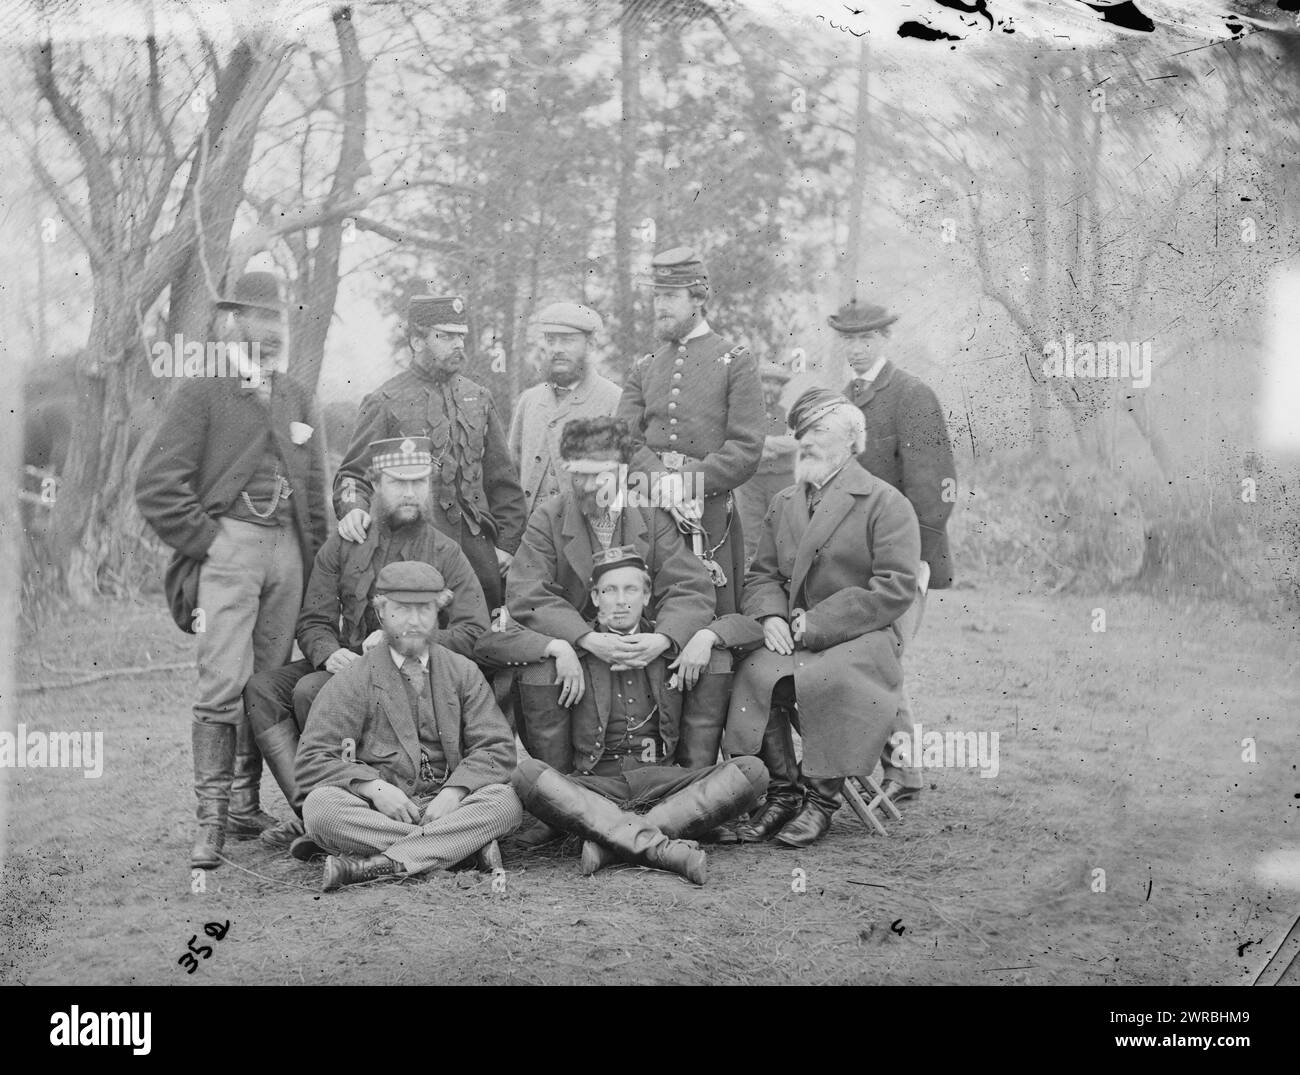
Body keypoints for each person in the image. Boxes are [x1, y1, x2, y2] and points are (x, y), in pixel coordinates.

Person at [135, 270, 329, 868]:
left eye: (276, 320)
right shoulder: (202, 392)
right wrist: (211, 542)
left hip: (289, 553)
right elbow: (157, 485)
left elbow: (315, 488)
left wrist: (319, 564)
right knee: (222, 683)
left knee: (270, 683)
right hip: (232, 547)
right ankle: (211, 825)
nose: (268, 330)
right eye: (256, 318)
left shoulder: (297, 395)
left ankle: (247, 807)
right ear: (231, 322)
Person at [243, 436, 489, 849]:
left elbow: (474, 631)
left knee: (311, 691)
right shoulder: (345, 542)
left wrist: (417, 639)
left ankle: (356, 808)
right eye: (397, 482)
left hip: (415, 668)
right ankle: (309, 813)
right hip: (350, 660)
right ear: (374, 484)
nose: (409, 493)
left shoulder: (445, 551)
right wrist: (327, 651)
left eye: (418, 482)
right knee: (262, 689)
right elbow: (314, 619)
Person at [726, 389, 920, 848]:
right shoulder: (786, 502)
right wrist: (771, 616)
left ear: (852, 441)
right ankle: (783, 793)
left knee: (831, 677)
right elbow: (762, 575)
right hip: (795, 637)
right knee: (752, 671)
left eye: (818, 430)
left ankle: (822, 802)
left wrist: (817, 624)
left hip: (863, 638)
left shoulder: (885, 503)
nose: (805, 440)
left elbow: (895, 587)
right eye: (801, 432)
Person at [505, 547, 769, 885]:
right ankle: (659, 841)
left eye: (631, 590)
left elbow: (749, 628)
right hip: (593, 785)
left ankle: (612, 844)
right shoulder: (573, 642)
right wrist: (558, 648)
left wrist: (707, 635)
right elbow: (492, 642)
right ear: (595, 597)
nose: (620, 601)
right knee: (527, 775)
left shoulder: (669, 638)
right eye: (609, 591)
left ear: (646, 595)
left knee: (753, 772)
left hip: (666, 782)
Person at [496, 416, 735, 786]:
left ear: (623, 471)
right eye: (580, 474)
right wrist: (581, 639)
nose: (588, 485)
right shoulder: (549, 516)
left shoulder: (651, 515)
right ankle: (556, 791)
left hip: (645, 646)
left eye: (600, 475)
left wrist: (663, 639)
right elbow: (527, 591)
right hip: (581, 650)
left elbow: (687, 586)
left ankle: (691, 782)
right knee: (538, 667)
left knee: (712, 659)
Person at [295, 562, 522, 892]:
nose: (414, 622)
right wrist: (372, 789)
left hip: (450, 808)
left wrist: (455, 792)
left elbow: (497, 748)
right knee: (320, 809)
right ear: (382, 612)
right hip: (383, 812)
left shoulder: (463, 671)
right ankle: (463, 850)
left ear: (439, 612)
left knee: (506, 802)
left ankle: (381, 864)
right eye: (402, 610)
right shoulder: (355, 678)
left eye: (425, 610)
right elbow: (314, 757)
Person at [832, 298, 957, 803]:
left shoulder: (912, 395)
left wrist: (914, 561)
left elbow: (937, 487)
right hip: (855, 558)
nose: (857, 349)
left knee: (884, 659)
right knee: (871, 659)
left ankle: (903, 771)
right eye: (850, 339)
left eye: (867, 339)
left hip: (903, 561)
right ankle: (899, 770)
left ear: (885, 339)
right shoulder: (843, 400)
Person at [332, 294, 527, 609]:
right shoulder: (385, 400)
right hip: (414, 553)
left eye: (460, 336)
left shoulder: (478, 398)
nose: (458, 345)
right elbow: (353, 475)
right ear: (416, 340)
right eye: (445, 336)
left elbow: (504, 483)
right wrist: (354, 507)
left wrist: (507, 546)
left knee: (484, 644)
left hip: (481, 558)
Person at [615, 247, 765, 616]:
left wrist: (685, 482)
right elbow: (623, 441)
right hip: (647, 509)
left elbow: (746, 448)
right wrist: (658, 481)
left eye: (670, 296)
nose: (660, 306)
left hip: (708, 515)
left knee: (708, 619)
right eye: (656, 297)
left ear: (698, 298)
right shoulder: (644, 368)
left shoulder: (736, 362)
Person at [507, 301, 622, 518]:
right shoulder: (529, 400)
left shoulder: (614, 400)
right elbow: (510, 474)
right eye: (551, 340)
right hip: (530, 538)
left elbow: (623, 485)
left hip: (587, 536)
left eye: (567, 340)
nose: (557, 348)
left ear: (590, 344)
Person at [734, 361, 798, 565]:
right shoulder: (746, 414)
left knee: (783, 531)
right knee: (751, 535)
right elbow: (741, 444)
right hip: (752, 483)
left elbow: (795, 441)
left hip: (782, 481)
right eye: (766, 382)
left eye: (776, 384)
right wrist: (769, 449)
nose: (771, 388)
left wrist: (764, 443)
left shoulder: (789, 414)